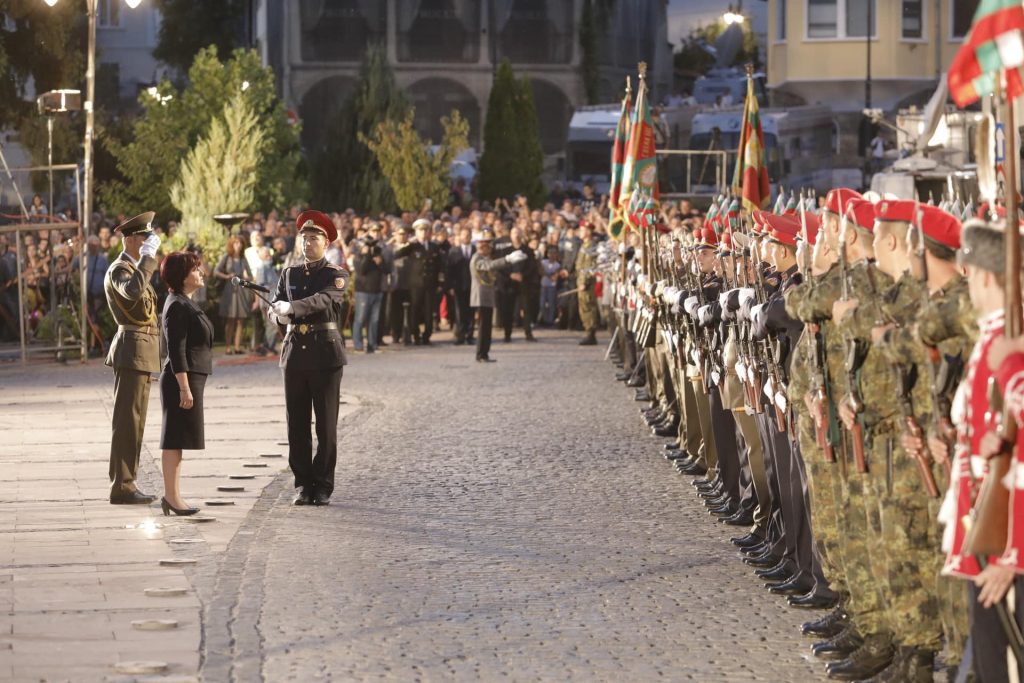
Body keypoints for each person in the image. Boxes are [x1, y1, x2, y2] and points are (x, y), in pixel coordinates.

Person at [269, 210, 349, 506]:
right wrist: (275, 311)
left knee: (326, 426)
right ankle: (303, 482)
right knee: (297, 425)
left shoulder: (335, 275)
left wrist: (290, 307)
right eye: (304, 238)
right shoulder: (289, 273)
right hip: (295, 355)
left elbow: (322, 301)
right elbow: (279, 304)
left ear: (326, 242)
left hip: (325, 355)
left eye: (313, 238)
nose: (307, 243)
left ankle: (323, 484)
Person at [104, 212, 161, 505]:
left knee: (134, 422)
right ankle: (122, 486)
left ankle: (127, 482)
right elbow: (132, 294)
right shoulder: (120, 269)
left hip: (141, 349)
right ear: (129, 239)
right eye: (143, 238)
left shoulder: (131, 266)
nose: (147, 243)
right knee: (128, 421)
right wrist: (147, 260)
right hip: (131, 348)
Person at [158, 251, 213, 516]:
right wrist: (184, 387)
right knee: (173, 439)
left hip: (189, 379)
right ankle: (171, 496)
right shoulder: (178, 305)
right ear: (182, 276)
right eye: (195, 269)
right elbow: (176, 350)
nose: (201, 272)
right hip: (180, 380)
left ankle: (174, 495)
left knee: (178, 439)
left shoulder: (185, 301)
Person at [469, 228, 527, 363]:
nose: (490, 250)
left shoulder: (484, 257)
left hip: (487, 296)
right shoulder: (477, 258)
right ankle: (480, 354)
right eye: (488, 247)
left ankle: (485, 353)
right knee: (483, 327)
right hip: (480, 297)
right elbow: (489, 266)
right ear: (483, 246)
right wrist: (507, 259)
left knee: (487, 327)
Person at [214, 234, 254, 354]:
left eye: (240, 243)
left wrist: (246, 279)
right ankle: (227, 347)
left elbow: (251, 275)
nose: (238, 245)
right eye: (236, 243)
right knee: (230, 319)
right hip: (229, 290)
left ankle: (236, 347)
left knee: (240, 320)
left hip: (241, 289)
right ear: (232, 244)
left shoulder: (243, 258)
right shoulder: (227, 256)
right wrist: (227, 276)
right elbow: (216, 271)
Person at [352, 222, 386, 352]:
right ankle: (358, 345)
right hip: (363, 292)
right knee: (360, 319)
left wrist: (380, 262)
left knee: (374, 320)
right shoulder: (358, 257)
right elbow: (362, 271)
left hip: (377, 291)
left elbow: (386, 270)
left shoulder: (377, 256)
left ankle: (372, 345)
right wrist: (366, 255)